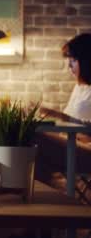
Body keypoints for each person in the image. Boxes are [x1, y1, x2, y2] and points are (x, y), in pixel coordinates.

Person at [36, 33, 91, 198]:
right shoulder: (80, 87)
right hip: (73, 142)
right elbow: (70, 121)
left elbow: (87, 129)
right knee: (29, 138)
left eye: (73, 60)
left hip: (86, 150)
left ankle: (46, 198)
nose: (69, 66)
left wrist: (55, 114)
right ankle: (43, 196)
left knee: (33, 138)